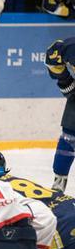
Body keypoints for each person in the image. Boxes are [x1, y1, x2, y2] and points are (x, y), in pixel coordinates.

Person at [45, 37, 75, 192]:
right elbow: (52, 55)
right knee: (69, 139)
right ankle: (59, 183)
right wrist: (65, 83)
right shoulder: (70, 47)